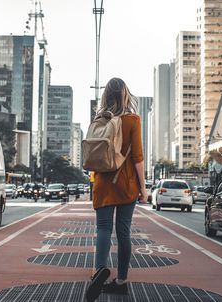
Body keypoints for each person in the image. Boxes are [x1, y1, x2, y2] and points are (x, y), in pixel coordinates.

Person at [85, 78, 146, 302]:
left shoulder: (99, 119)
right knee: (123, 232)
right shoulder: (133, 120)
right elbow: (138, 157)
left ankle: (99, 271)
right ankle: (121, 281)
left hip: (102, 183)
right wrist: (143, 187)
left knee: (102, 229)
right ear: (125, 95)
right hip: (126, 184)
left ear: (106, 96)